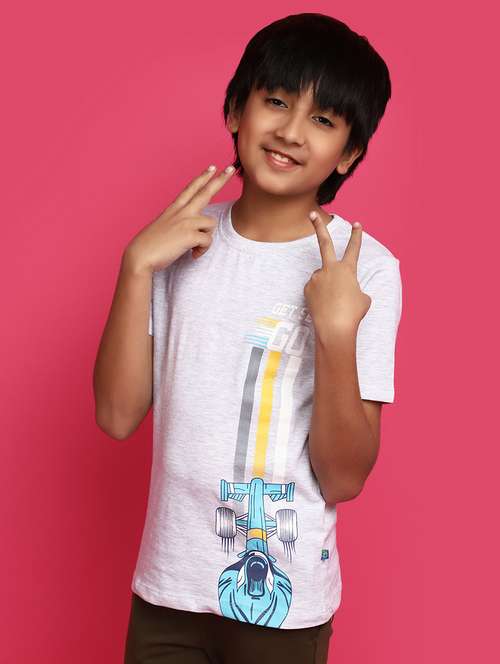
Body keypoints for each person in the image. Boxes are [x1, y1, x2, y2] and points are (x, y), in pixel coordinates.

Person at [93, 12, 403, 664]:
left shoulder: (366, 269)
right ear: (237, 109)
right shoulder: (179, 244)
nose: (290, 131)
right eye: (277, 101)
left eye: (323, 119)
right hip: (167, 593)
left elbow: (344, 478)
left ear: (349, 153)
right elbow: (116, 417)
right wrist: (136, 266)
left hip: (284, 608)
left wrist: (336, 333)